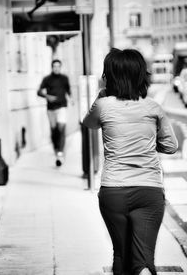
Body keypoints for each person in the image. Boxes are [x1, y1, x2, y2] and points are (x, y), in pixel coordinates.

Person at [83, 48, 178, 275]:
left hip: (113, 191)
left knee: (121, 254)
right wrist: (145, 143)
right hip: (149, 190)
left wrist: (101, 95)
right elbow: (171, 146)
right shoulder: (153, 107)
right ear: (140, 75)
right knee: (143, 257)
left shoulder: (103, 105)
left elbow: (88, 123)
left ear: (110, 77)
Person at [37, 59, 72, 167]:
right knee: (54, 131)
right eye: (54, 66)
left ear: (60, 67)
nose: (56, 68)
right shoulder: (47, 79)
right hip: (51, 109)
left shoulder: (64, 78)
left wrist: (72, 99)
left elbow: (68, 90)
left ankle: (60, 153)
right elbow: (38, 92)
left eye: (58, 66)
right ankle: (56, 148)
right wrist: (47, 96)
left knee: (61, 128)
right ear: (52, 67)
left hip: (62, 107)